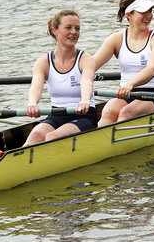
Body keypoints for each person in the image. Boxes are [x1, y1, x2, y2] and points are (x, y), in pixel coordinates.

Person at [93, 0, 154, 126]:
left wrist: (130, 84)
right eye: (143, 12)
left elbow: (152, 69)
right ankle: (99, 142)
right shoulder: (116, 39)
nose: (149, 16)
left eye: (150, 11)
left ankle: (116, 144)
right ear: (129, 14)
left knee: (127, 112)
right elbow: (91, 65)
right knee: (108, 111)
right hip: (126, 94)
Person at [24, 10, 98, 146]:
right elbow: (36, 86)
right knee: (35, 135)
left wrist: (85, 100)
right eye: (68, 28)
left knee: (52, 137)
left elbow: (87, 81)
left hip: (84, 116)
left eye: (77, 28)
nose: (74, 32)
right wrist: (32, 103)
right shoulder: (43, 61)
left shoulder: (86, 59)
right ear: (55, 31)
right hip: (56, 114)